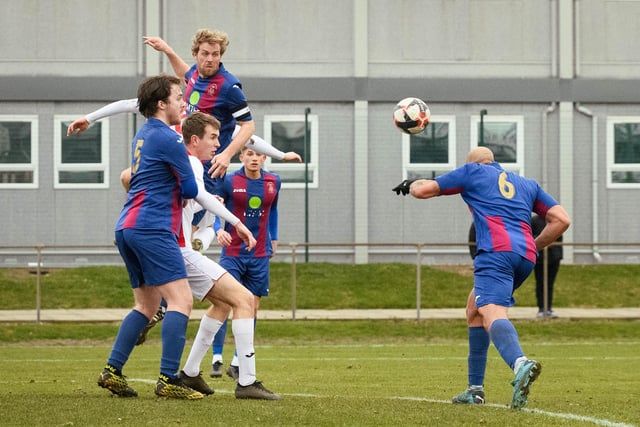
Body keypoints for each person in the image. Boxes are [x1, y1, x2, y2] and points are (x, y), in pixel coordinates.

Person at [392, 146, 570, 410]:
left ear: (473, 163)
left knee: (492, 312)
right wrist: (534, 245)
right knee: (474, 309)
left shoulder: (472, 172)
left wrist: (411, 183)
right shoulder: (526, 184)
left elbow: (422, 190)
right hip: (525, 257)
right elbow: (561, 220)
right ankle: (475, 390)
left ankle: (520, 364)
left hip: (495, 253)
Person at [119, 111, 281, 400]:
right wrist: (236, 222)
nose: (218, 144)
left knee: (221, 304)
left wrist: (206, 223)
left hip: (171, 244)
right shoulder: (190, 162)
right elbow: (194, 197)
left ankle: (190, 373)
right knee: (243, 299)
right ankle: (246, 382)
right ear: (194, 140)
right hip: (175, 248)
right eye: (213, 138)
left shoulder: (184, 162)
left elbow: (132, 179)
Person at [99, 74, 204, 400]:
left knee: (146, 305)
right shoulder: (170, 139)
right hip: (152, 227)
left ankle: (112, 371)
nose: (182, 103)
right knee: (181, 300)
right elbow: (189, 189)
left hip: (127, 226)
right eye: (177, 97)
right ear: (162, 103)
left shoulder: (142, 135)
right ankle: (168, 379)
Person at [207, 144, 281, 380]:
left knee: (252, 306)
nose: (255, 158)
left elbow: (274, 210)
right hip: (233, 254)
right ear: (242, 156)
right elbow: (215, 207)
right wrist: (218, 229)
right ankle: (216, 356)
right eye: (250, 154)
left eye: (259, 154)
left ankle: (238, 360)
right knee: (224, 303)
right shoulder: (229, 181)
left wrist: (274, 238)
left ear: (264, 158)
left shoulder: (274, 181)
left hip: (259, 254)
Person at [143, 29, 253, 182]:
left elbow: (248, 125)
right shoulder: (195, 73)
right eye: (205, 53)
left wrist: (227, 155)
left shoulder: (229, 87)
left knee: (204, 204)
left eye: (215, 54)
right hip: (187, 157)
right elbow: (185, 75)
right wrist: (167, 50)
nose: (210, 59)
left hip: (210, 166)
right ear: (195, 54)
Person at [531, 213, 563, 318]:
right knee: (540, 283)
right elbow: (530, 236)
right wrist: (543, 240)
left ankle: (548, 308)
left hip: (554, 257)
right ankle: (541, 308)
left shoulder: (557, 220)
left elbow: (559, 237)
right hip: (540, 258)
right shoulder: (534, 221)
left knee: (550, 283)